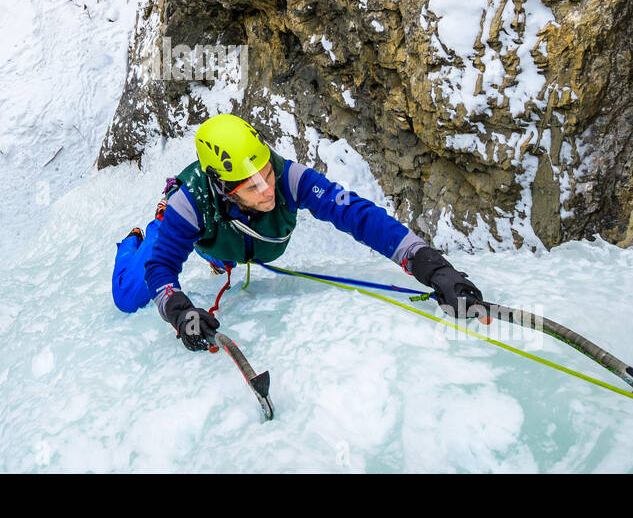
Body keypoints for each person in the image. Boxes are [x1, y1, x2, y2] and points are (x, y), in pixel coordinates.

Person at [111, 113, 486, 351]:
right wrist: (180, 313)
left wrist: (429, 265)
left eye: (267, 175)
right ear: (223, 187)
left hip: (230, 239)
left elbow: (357, 214)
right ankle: (131, 242)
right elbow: (162, 270)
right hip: (187, 229)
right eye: (252, 186)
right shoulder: (188, 203)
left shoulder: (289, 177)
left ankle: (220, 254)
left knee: (224, 252)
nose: (268, 190)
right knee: (130, 295)